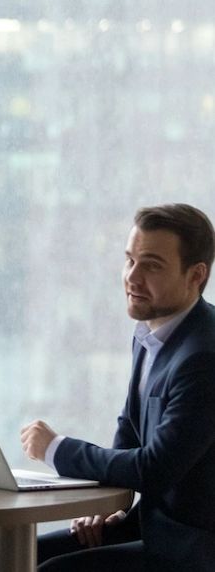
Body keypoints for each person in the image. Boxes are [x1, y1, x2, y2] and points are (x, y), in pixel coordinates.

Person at [21, 203, 215, 571]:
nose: (132, 277)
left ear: (196, 275)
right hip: (152, 526)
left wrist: (58, 450)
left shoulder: (204, 357)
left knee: (51, 570)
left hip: (190, 548)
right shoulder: (150, 332)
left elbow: (155, 468)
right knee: (26, 554)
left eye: (152, 265)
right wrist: (107, 504)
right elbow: (130, 425)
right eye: (130, 260)